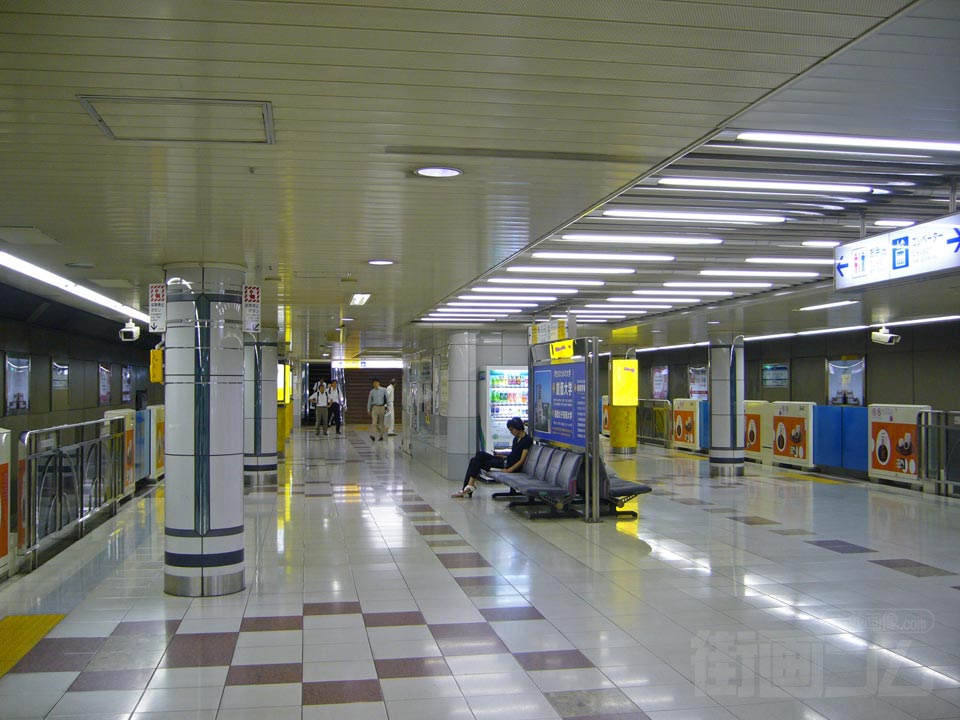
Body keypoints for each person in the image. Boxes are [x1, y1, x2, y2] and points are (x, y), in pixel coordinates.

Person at [453, 417, 531, 498]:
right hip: (505, 461)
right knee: (479, 454)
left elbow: (522, 460)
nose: (511, 432)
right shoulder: (516, 439)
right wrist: (502, 455)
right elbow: (514, 455)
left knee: (475, 461)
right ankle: (470, 485)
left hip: (508, 465)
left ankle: (468, 486)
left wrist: (509, 470)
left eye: (512, 430)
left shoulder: (527, 440)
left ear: (518, 427)